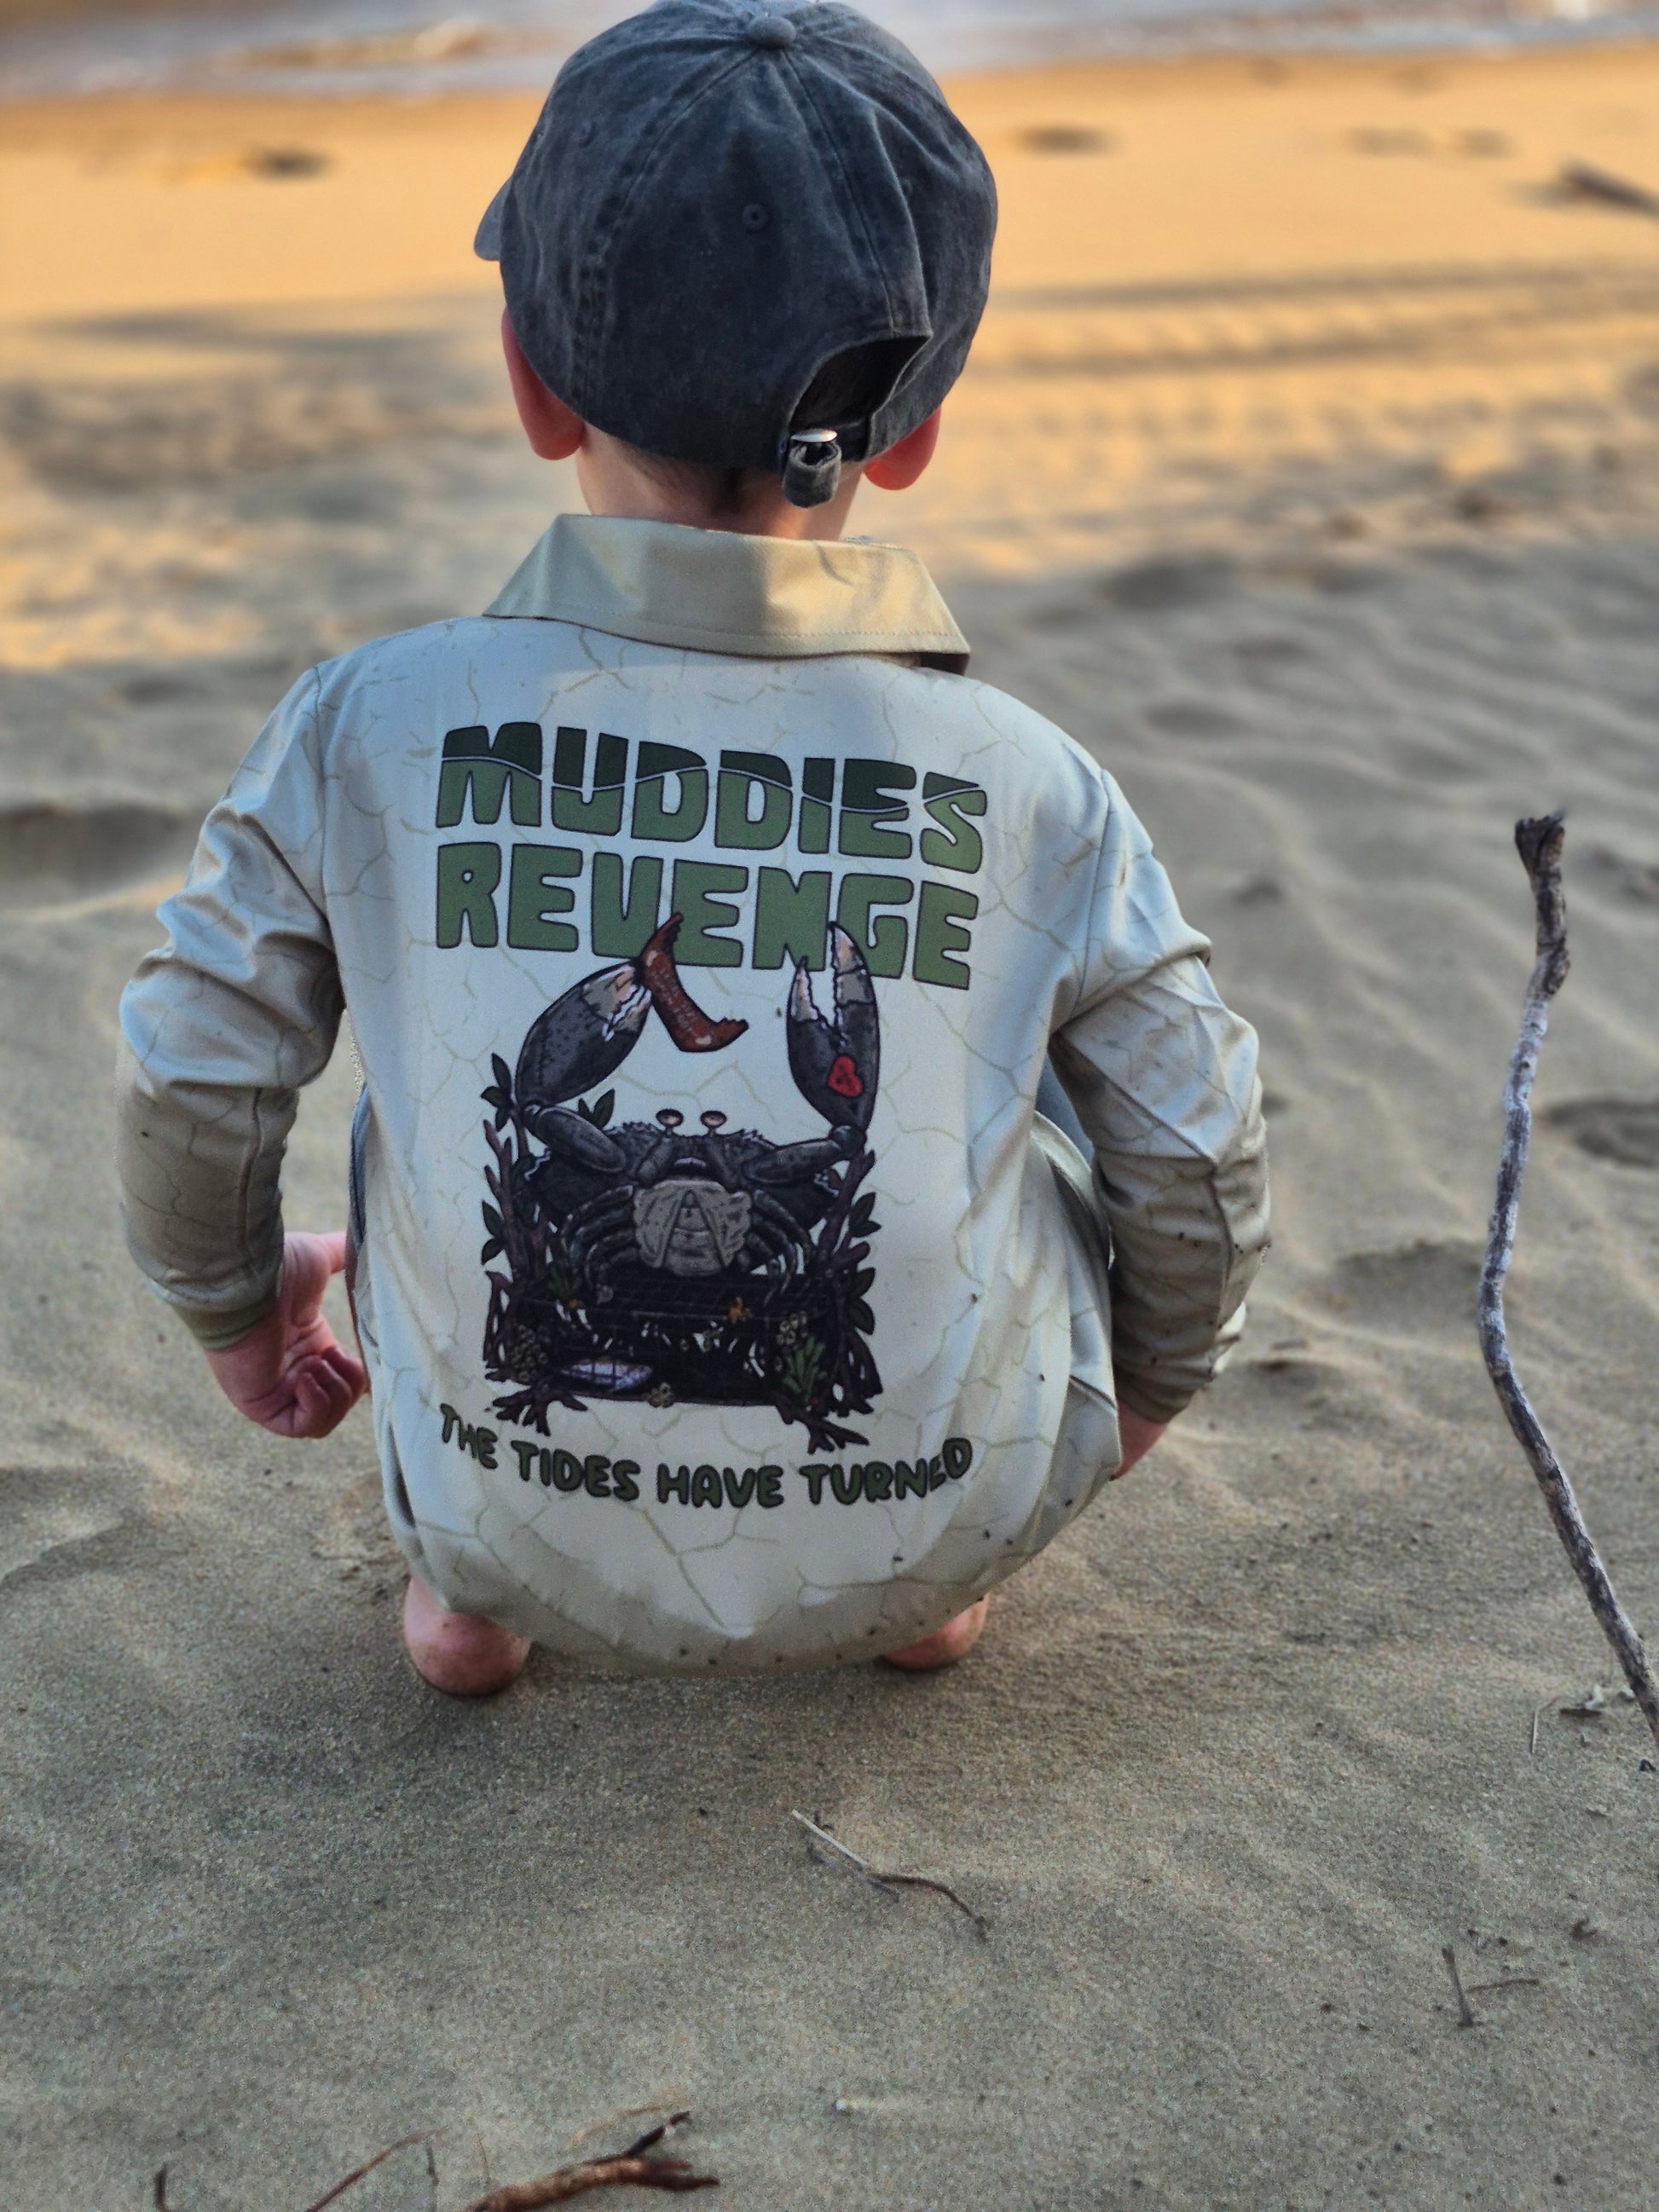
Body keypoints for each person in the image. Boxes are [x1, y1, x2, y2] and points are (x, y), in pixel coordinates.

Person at [116, 0, 1269, 1697]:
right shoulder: (1035, 783)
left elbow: (191, 1070)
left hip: (495, 1506)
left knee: (439, 1101)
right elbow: (1195, 1150)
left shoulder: (363, 724)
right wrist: (1142, 1397)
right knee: (1001, 1099)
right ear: (913, 427)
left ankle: (473, 1596)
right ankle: (912, 1573)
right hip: (942, 1512)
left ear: (529, 381)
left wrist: (236, 1311)